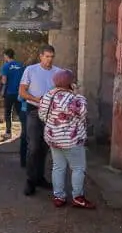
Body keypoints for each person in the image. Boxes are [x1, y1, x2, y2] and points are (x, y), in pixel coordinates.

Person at [39, 68, 95, 209]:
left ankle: (59, 197)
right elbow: (83, 113)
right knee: (78, 168)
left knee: (58, 167)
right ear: (70, 83)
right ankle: (77, 197)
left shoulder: (47, 96)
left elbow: (41, 115)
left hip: (53, 138)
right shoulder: (75, 98)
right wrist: (78, 94)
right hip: (72, 140)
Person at [18, 44, 60, 195]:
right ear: (40, 56)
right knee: (34, 146)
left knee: (44, 147)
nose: (49, 60)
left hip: (52, 113)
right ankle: (30, 180)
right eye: (47, 56)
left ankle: (40, 177)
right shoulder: (31, 70)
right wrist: (36, 99)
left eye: (51, 57)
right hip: (34, 110)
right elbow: (22, 91)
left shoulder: (58, 72)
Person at [0, 49, 25, 137]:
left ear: (6, 56)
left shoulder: (5, 66)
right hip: (19, 93)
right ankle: (24, 131)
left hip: (9, 93)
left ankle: (8, 133)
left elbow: (4, 80)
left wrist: (2, 90)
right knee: (20, 112)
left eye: (4, 56)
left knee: (8, 112)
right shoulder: (21, 66)